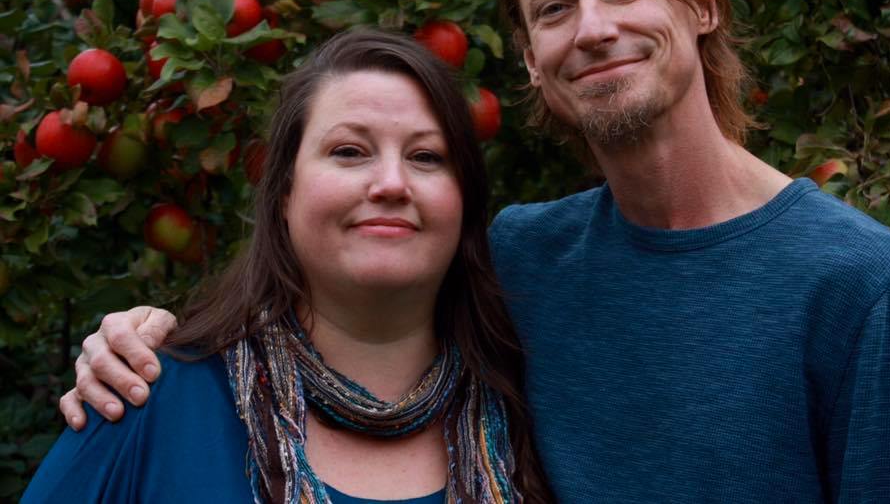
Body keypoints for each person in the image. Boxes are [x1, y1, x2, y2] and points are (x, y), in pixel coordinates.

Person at [61, 0, 890, 502]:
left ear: (701, 4)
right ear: (532, 60)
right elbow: (343, 301)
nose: (595, 27)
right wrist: (142, 338)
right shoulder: (527, 262)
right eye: (555, 7)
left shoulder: (862, 290)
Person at [24, 29, 552, 503]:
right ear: (284, 194)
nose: (392, 183)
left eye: (427, 157)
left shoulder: (539, 407)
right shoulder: (145, 396)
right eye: (349, 151)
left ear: (464, 203)